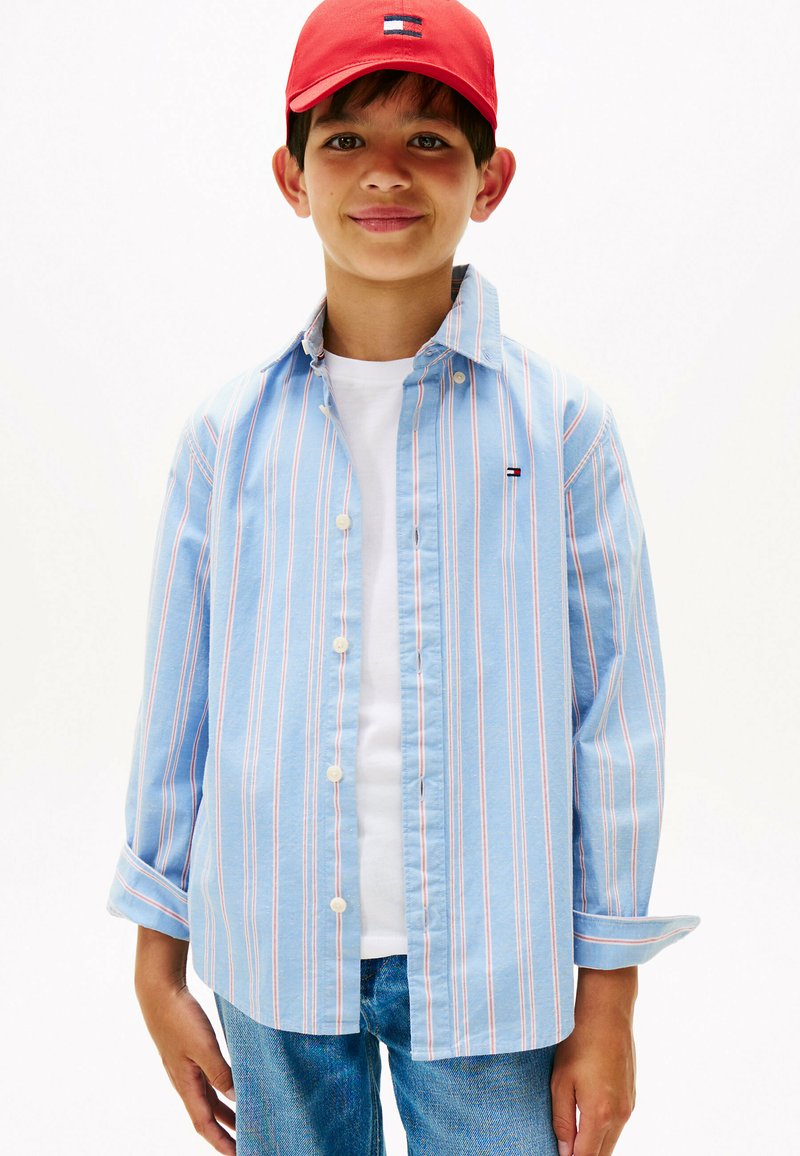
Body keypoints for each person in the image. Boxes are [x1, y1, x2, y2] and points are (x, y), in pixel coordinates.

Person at [107, 0, 700, 1152]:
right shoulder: (227, 436)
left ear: (490, 179)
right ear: (291, 177)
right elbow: (178, 709)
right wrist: (156, 961)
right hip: (272, 950)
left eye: (429, 139)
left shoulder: (560, 428)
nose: (385, 172)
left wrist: (609, 998)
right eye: (345, 140)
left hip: (492, 963)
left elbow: (614, 720)